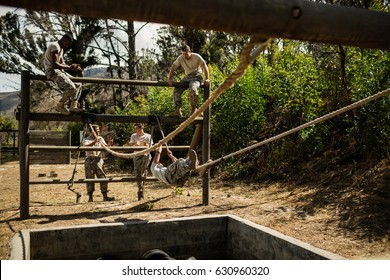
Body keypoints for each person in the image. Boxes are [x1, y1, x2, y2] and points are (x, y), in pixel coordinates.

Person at [43, 32, 84, 115]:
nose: (68, 46)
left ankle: (73, 106)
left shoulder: (60, 49)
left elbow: (62, 64)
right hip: (52, 71)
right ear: (64, 40)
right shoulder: (55, 46)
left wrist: (73, 67)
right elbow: (55, 65)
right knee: (71, 88)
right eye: (68, 43)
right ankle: (60, 105)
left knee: (78, 85)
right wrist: (70, 67)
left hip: (59, 71)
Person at [167, 45, 210, 117]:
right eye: (183, 54)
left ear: (190, 52)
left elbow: (204, 66)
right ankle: (177, 111)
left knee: (193, 88)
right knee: (177, 89)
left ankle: (194, 109)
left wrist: (207, 78)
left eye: (186, 54)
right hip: (187, 77)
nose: (184, 56)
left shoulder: (196, 57)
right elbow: (173, 67)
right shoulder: (181, 58)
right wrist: (170, 79)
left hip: (196, 76)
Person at [82, 125, 115, 202]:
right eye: (96, 130)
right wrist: (95, 141)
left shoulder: (100, 138)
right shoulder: (86, 139)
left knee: (103, 177)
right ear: (91, 131)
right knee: (90, 178)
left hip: (99, 159)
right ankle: (90, 197)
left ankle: (105, 195)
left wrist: (109, 144)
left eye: (98, 130)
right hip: (90, 159)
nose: (98, 132)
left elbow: (104, 146)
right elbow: (86, 146)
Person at [128, 123, 153, 200]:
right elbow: (130, 145)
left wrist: (146, 145)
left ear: (141, 128)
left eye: (137, 128)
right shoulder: (133, 136)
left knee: (143, 172)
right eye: (135, 129)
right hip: (136, 155)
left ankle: (141, 190)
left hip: (145, 155)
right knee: (138, 174)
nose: (135, 130)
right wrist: (135, 144)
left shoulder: (148, 136)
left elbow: (151, 146)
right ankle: (140, 191)